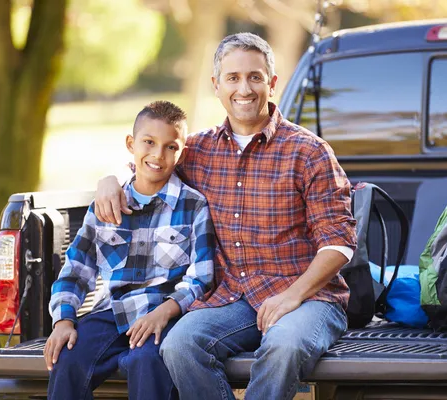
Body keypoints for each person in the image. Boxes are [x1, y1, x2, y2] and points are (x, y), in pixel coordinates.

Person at [95, 33, 357, 400]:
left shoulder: (309, 152)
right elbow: (150, 168)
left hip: (309, 298)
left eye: (255, 76)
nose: (244, 88)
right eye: (232, 78)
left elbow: (339, 243)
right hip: (232, 298)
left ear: (272, 83)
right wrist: (109, 181)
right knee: (180, 345)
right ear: (216, 86)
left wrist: (291, 297)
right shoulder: (197, 150)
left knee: (282, 347)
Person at [45, 101, 215, 400]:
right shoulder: (106, 203)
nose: (158, 155)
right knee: (68, 357)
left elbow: (201, 277)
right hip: (113, 312)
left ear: (180, 153)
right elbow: (75, 269)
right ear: (130, 143)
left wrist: (165, 311)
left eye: (170, 147)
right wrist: (64, 319)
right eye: (149, 142)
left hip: (165, 313)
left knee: (146, 361)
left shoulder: (194, 205)